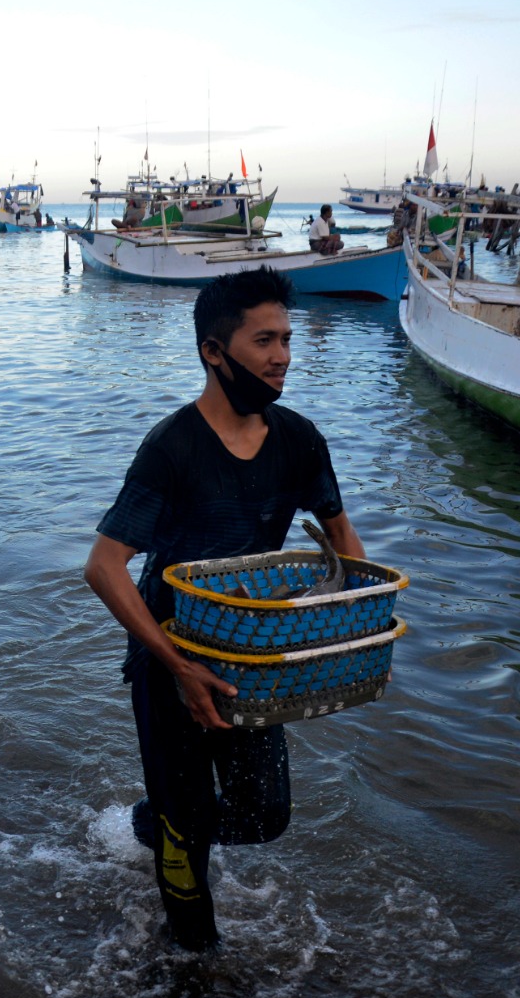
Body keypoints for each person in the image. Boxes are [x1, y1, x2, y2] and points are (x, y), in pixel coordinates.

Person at [83, 267, 366, 953]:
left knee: (264, 815)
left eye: (287, 340)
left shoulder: (299, 441)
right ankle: (194, 975)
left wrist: (351, 631)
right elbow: (103, 566)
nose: (282, 357)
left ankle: (151, 823)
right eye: (264, 340)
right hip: (169, 655)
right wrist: (177, 667)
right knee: (190, 834)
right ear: (214, 351)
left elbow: (341, 539)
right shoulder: (172, 447)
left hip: (251, 658)